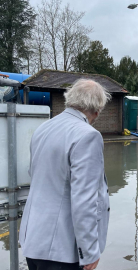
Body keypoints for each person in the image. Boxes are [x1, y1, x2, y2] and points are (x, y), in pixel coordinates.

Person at [19, 79, 112, 270]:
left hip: (33, 241)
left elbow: (34, 174)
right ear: (97, 110)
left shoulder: (43, 128)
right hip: (61, 251)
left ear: (69, 100)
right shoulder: (88, 135)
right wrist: (89, 252)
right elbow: (84, 200)